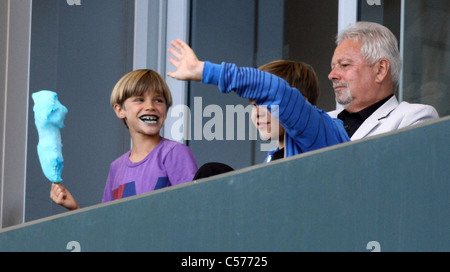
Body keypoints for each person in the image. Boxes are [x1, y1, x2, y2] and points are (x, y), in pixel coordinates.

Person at [167, 39, 350, 165]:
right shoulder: (272, 158)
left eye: (266, 104)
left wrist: (204, 70)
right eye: (254, 105)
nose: (258, 112)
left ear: (300, 102)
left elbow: (275, 90)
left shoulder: (319, 132)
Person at [51, 69, 198, 210]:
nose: (150, 106)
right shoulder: (116, 168)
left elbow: (194, 208)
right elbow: (107, 224)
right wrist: (74, 208)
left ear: (166, 111)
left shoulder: (175, 153)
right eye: (139, 99)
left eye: (158, 100)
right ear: (120, 110)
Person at [327, 21, 439, 140]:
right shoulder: (323, 121)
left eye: (344, 65)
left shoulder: (414, 117)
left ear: (380, 70)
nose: (331, 75)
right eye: (332, 67)